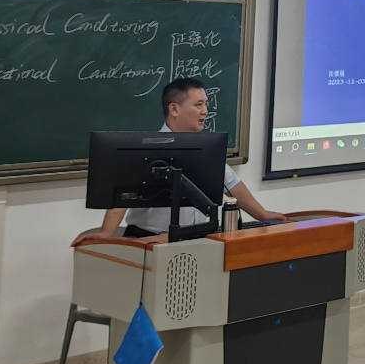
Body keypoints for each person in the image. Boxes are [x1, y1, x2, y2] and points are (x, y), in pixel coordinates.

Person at [73, 77, 287, 243]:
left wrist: (263, 215)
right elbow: (122, 196)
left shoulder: (206, 149)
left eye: (206, 104)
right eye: (198, 105)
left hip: (196, 239)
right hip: (149, 239)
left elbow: (233, 186)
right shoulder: (147, 147)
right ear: (174, 109)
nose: (205, 111)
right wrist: (107, 232)